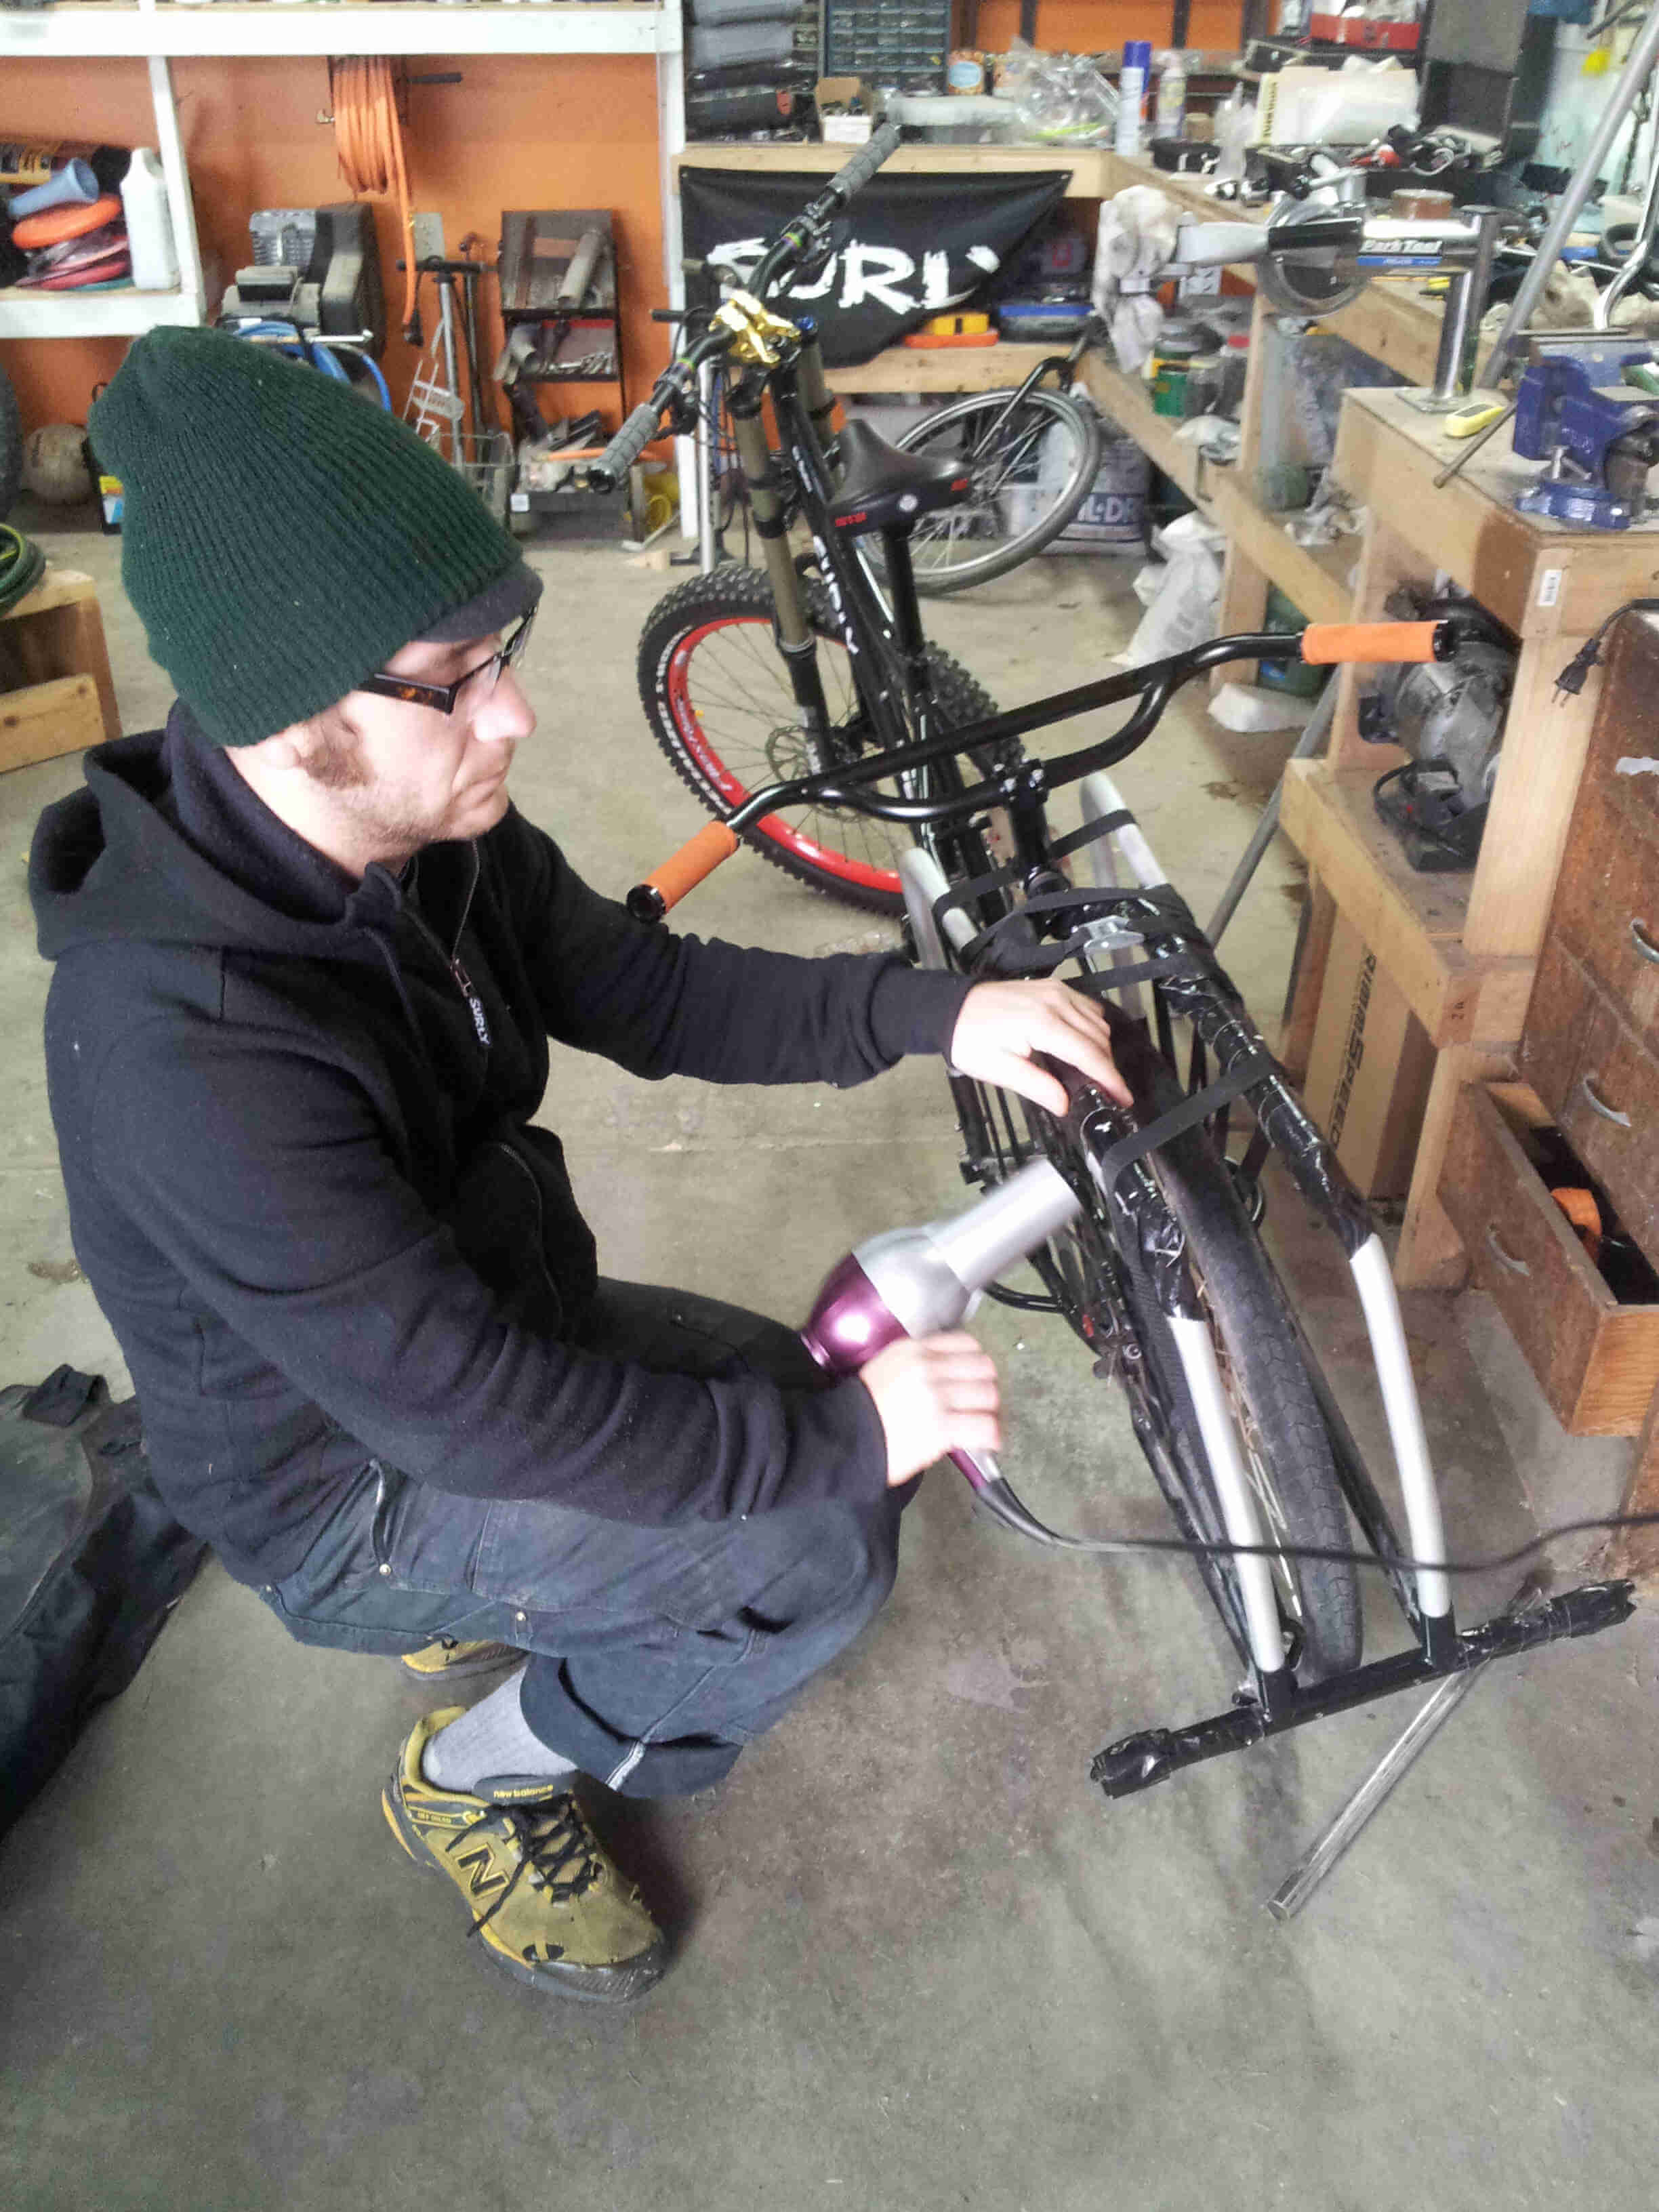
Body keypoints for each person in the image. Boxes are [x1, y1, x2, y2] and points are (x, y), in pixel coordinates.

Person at [30, 329, 1127, 2004]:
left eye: (505, 652)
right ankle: (479, 1770)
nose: (519, 711)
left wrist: (945, 1011)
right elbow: (464, 1410)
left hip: (481, 1323)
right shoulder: (191, 1048)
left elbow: (651, 986)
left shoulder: (412, 830)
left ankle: (549, 1606)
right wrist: (844, 1441)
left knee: (776, 1400)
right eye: (455, 676)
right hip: (351, 1482)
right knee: (817, 1537)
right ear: (285, 705)